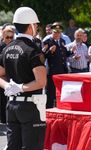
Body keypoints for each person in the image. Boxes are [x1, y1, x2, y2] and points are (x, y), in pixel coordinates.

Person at [0, 7, 47, 149]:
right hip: (31, 106)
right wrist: (20, 87)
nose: (37, 27)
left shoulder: (7, 48)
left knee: (13, 146)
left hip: (12, 106)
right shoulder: (32, 50)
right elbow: (41, 81)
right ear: (31, 25)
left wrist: (7, 86)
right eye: (36, 25)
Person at [43, 23, 71, 108]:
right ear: (52, 32)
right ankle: (49, 110)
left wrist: (71, 52)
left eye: (59, 32)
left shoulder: (62, 41)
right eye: (55, 32)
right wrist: (50, 51)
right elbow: (43, 56)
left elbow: (63, 54)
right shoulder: (47, 42)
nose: (57, 34)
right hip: (53, 71)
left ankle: (61, 107)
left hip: (62, 70)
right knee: (51, 93)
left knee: (62, 91)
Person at [0, 26, 15, 124]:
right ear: (3, 37)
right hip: (2, 77)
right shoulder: (0, 46)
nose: (9, 39)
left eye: (11, 37)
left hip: (12, 76)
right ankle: (3, 119)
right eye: (7, 37)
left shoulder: (15, 46)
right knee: (2, 99)